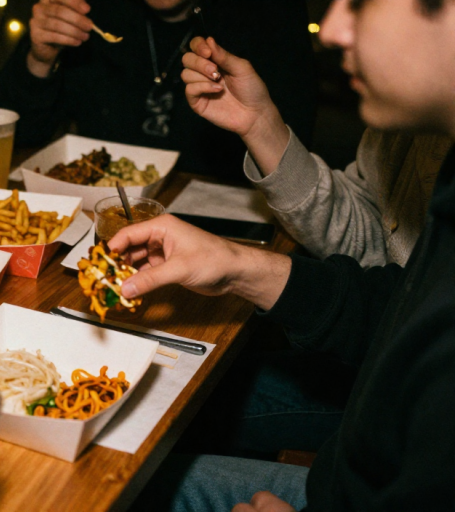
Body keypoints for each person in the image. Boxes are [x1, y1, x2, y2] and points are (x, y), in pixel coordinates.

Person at [119, 0, 455, 509]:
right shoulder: (413, 133)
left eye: (363, 3)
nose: (335, 29)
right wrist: (241, 265)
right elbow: (392, 295)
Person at [181, 34, 452, 267]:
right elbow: (366, 238)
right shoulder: (401, 113)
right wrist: (259, 124)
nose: (329, 32)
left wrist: (245, 269)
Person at [0, 0, 317, 181]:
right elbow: (8, 138)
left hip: (229, 239)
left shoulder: (269, 15)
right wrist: (40, 59)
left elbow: (299, 171)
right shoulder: (88, 11)